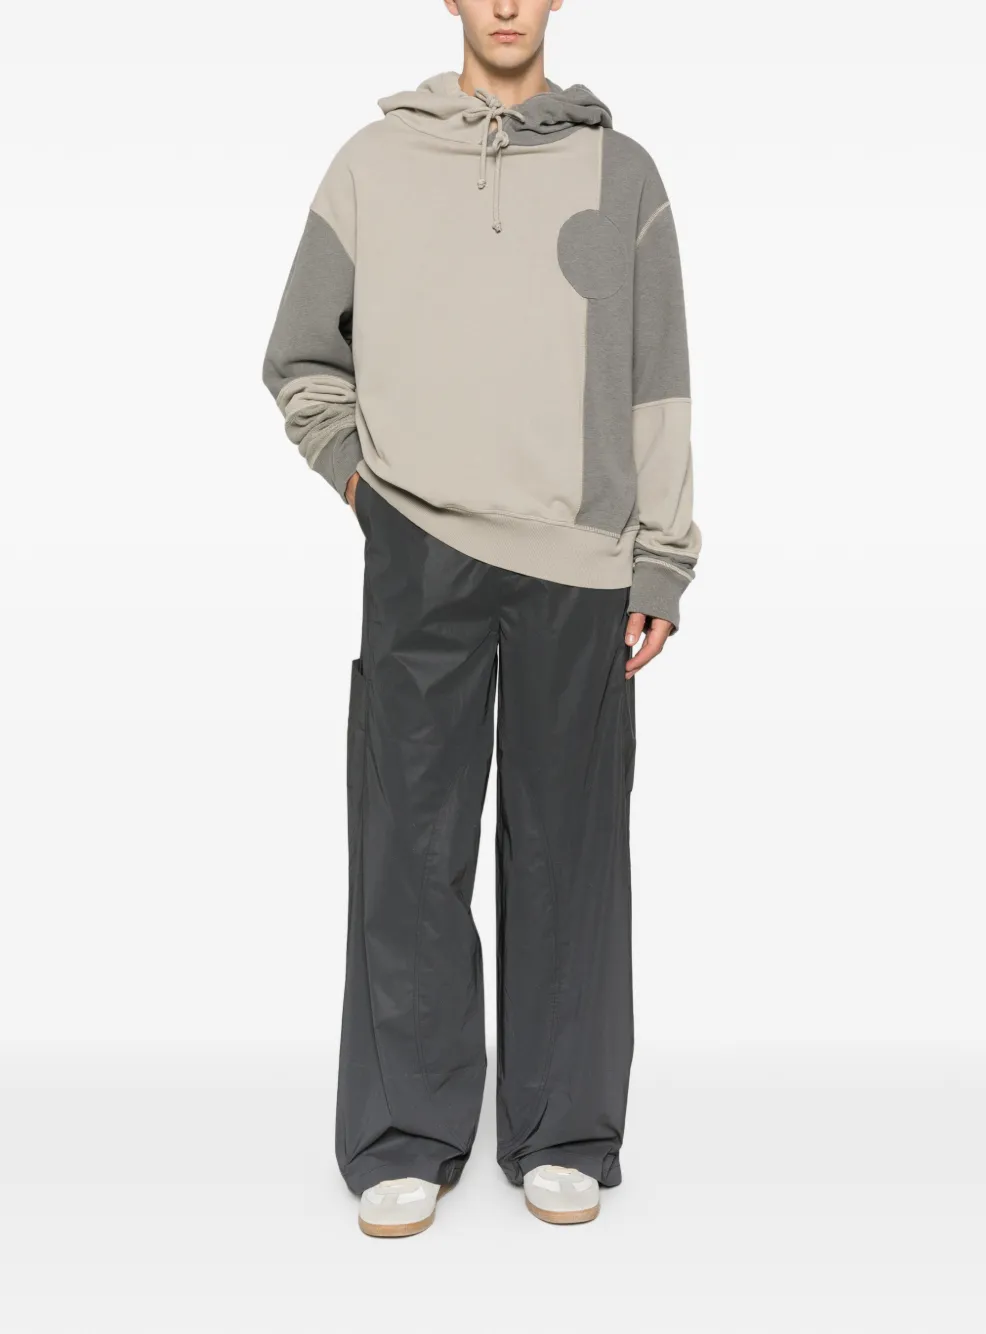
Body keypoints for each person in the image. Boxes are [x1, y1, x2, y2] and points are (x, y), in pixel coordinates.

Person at [261, 0, 700, 1238]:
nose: (506, 4)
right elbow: (301, 359)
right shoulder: (372, 164)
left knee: (570, 853)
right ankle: (406, 1131)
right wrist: (367, 490)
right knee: (409, 847)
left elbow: (659, 382)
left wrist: (659, 561)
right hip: (421, 548)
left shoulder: (623, 172)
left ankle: (563, 1129)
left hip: (580, 559)